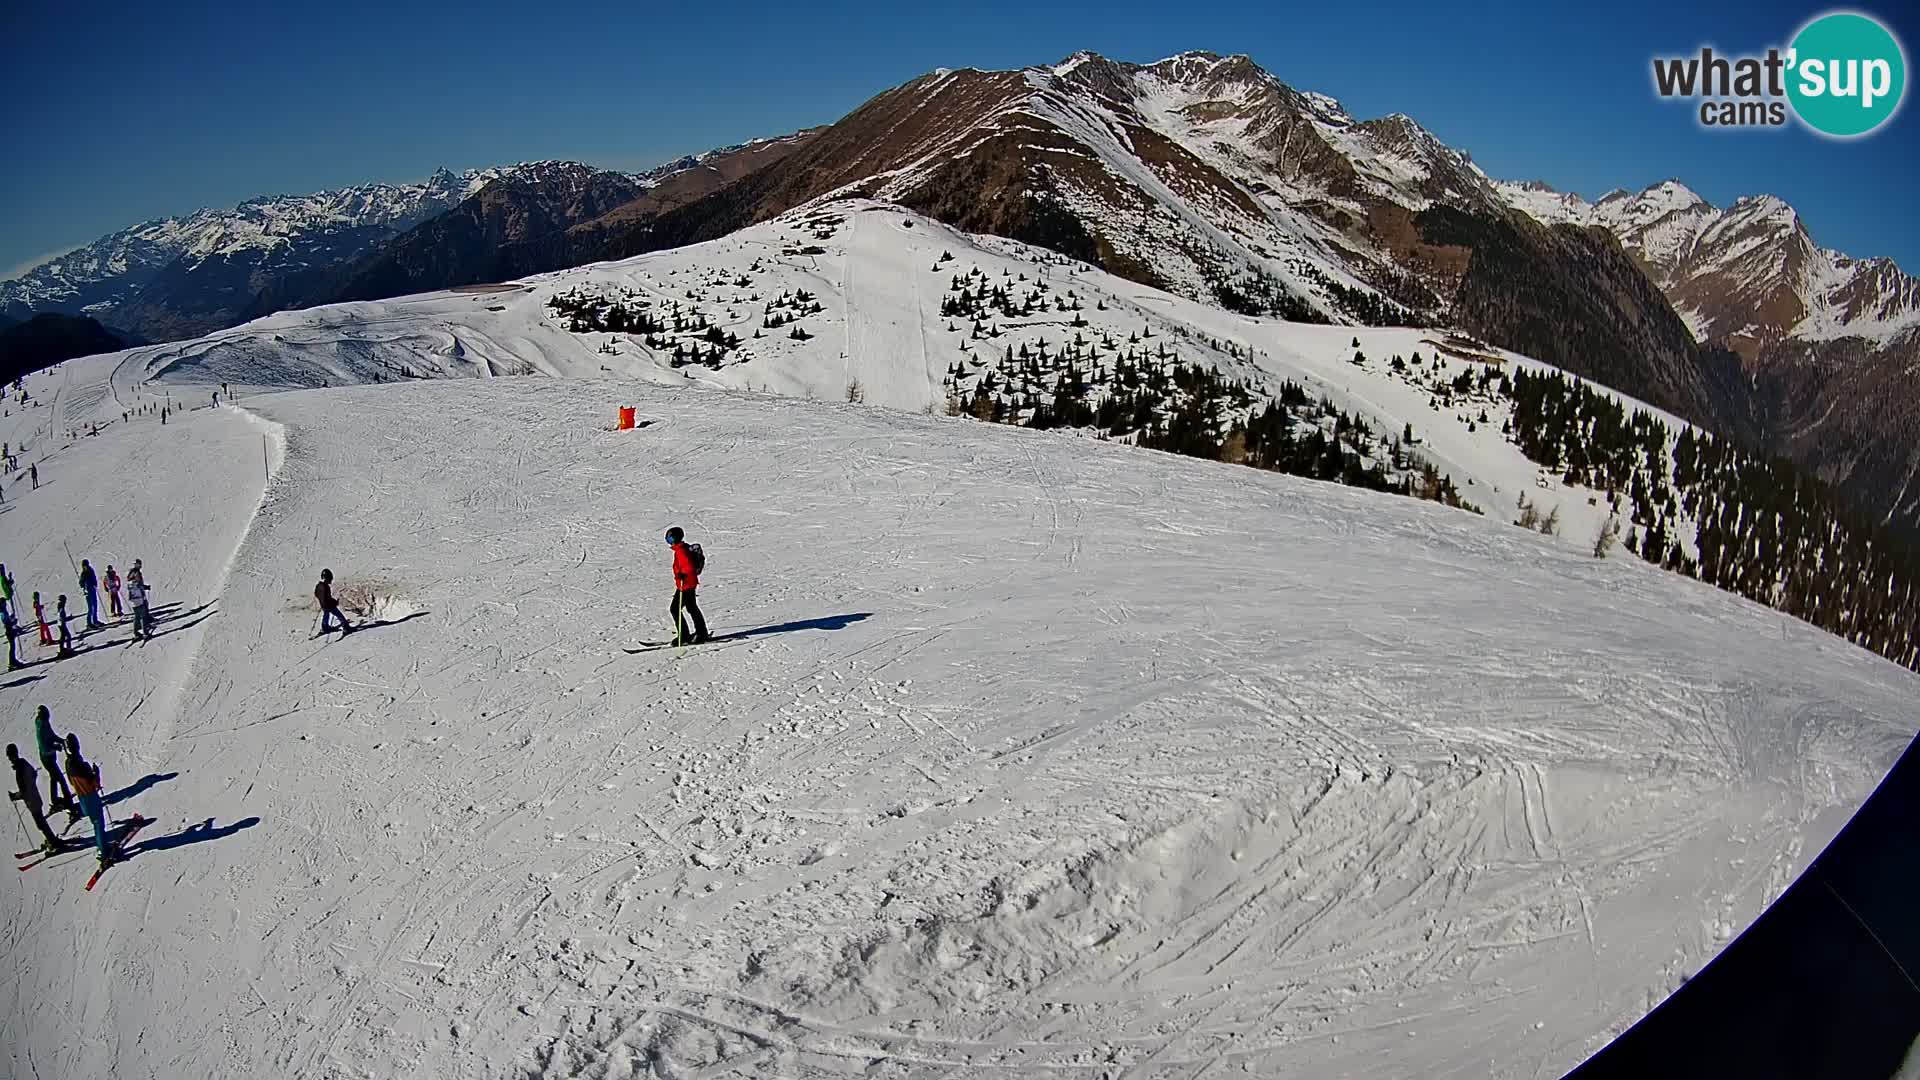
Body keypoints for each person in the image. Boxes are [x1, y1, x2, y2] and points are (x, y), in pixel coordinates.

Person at [63, 734, 109, 867]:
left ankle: (102, 846)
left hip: (81, 798)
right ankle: (103, 851)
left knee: (94, 821)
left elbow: (72, 782)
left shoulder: (68, 764)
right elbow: (94, 784)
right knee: (98, 823)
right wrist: (97, 773)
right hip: (91, 797)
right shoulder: (83, 766)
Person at [7, 743, 61, 853]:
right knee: (42, 822)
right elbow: (33, 774)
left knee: (40, 824)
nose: (9, 759)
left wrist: (15, 796)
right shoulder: (24, 763)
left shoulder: (19, 771)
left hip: (32, 802)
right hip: (35, 797)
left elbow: (23, 792)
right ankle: (52, 839)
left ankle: (54, 843)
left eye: (9, 756)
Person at [665, 527, 709, 645]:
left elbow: (689, 568)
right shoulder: (681, 549)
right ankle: (701, 632)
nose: (668, 541)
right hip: (687, 584)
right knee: (692, 608)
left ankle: (685, 636)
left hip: (686, 585)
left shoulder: (681, 551)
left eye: (669, 538)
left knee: (674, 609)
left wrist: (681, 575)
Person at [34, 706, 71, 812]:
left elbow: (51, 735)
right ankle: (69, 803)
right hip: (47, 758)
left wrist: (61, 740)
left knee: (54, 777)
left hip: (50, 756)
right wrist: (56, 746)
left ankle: (54, 800)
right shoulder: (41, 728)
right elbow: (44, 746)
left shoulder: (44, 723)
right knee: (60, 779)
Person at [315, 569, 353, 635]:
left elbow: (316, 594)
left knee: (326, 615)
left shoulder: (318, 586)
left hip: (323, 605)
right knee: (339, 615)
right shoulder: (326, 587)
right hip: (329, 605)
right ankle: (346, 628)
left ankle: (325, 627)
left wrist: (321, 601)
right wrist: (334, 602)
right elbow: (328, 598)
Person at [127, 574, 152, 642]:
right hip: (140, 602)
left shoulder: (129, 584)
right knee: (143, 617)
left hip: (134, 604)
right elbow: (142, 587)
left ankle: (136, 633)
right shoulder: (137, 584)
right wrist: (147, 587)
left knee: (136, 617)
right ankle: (145, 633)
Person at [79, 559, 101, 630]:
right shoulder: (83, 573)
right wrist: (84, 586)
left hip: (92, 589)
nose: (86, 567)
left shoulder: (91, 570)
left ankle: (95, 620)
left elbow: (94, 578)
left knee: (95, 605)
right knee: (90, 607)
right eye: (84, 565)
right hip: (88, 591)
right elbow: (81, 583)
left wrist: (95, 584)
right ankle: (89, 623)